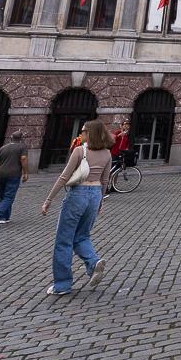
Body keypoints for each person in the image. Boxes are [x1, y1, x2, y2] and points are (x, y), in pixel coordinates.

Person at [41, 120, 112, 295]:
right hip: (95, 195)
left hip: (78, 193)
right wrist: (100, 201)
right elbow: (105, 181)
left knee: (63, 240)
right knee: (81, 236)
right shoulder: (107, 154)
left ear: (90, 133)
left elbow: (64, 177)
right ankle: (93, 261)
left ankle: (62, 285)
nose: (80, 134)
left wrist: (49, 199)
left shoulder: (80, 151)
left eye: (83, 131)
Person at [0, 132, 29, 228]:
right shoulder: (22, 147)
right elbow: (23, 159)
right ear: (21, 138)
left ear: (11, 137)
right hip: (13, 174)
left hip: (0, 174)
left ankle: (5, 217)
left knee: (3, 196)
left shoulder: (2, 148)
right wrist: (25, 173)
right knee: (9, 197)